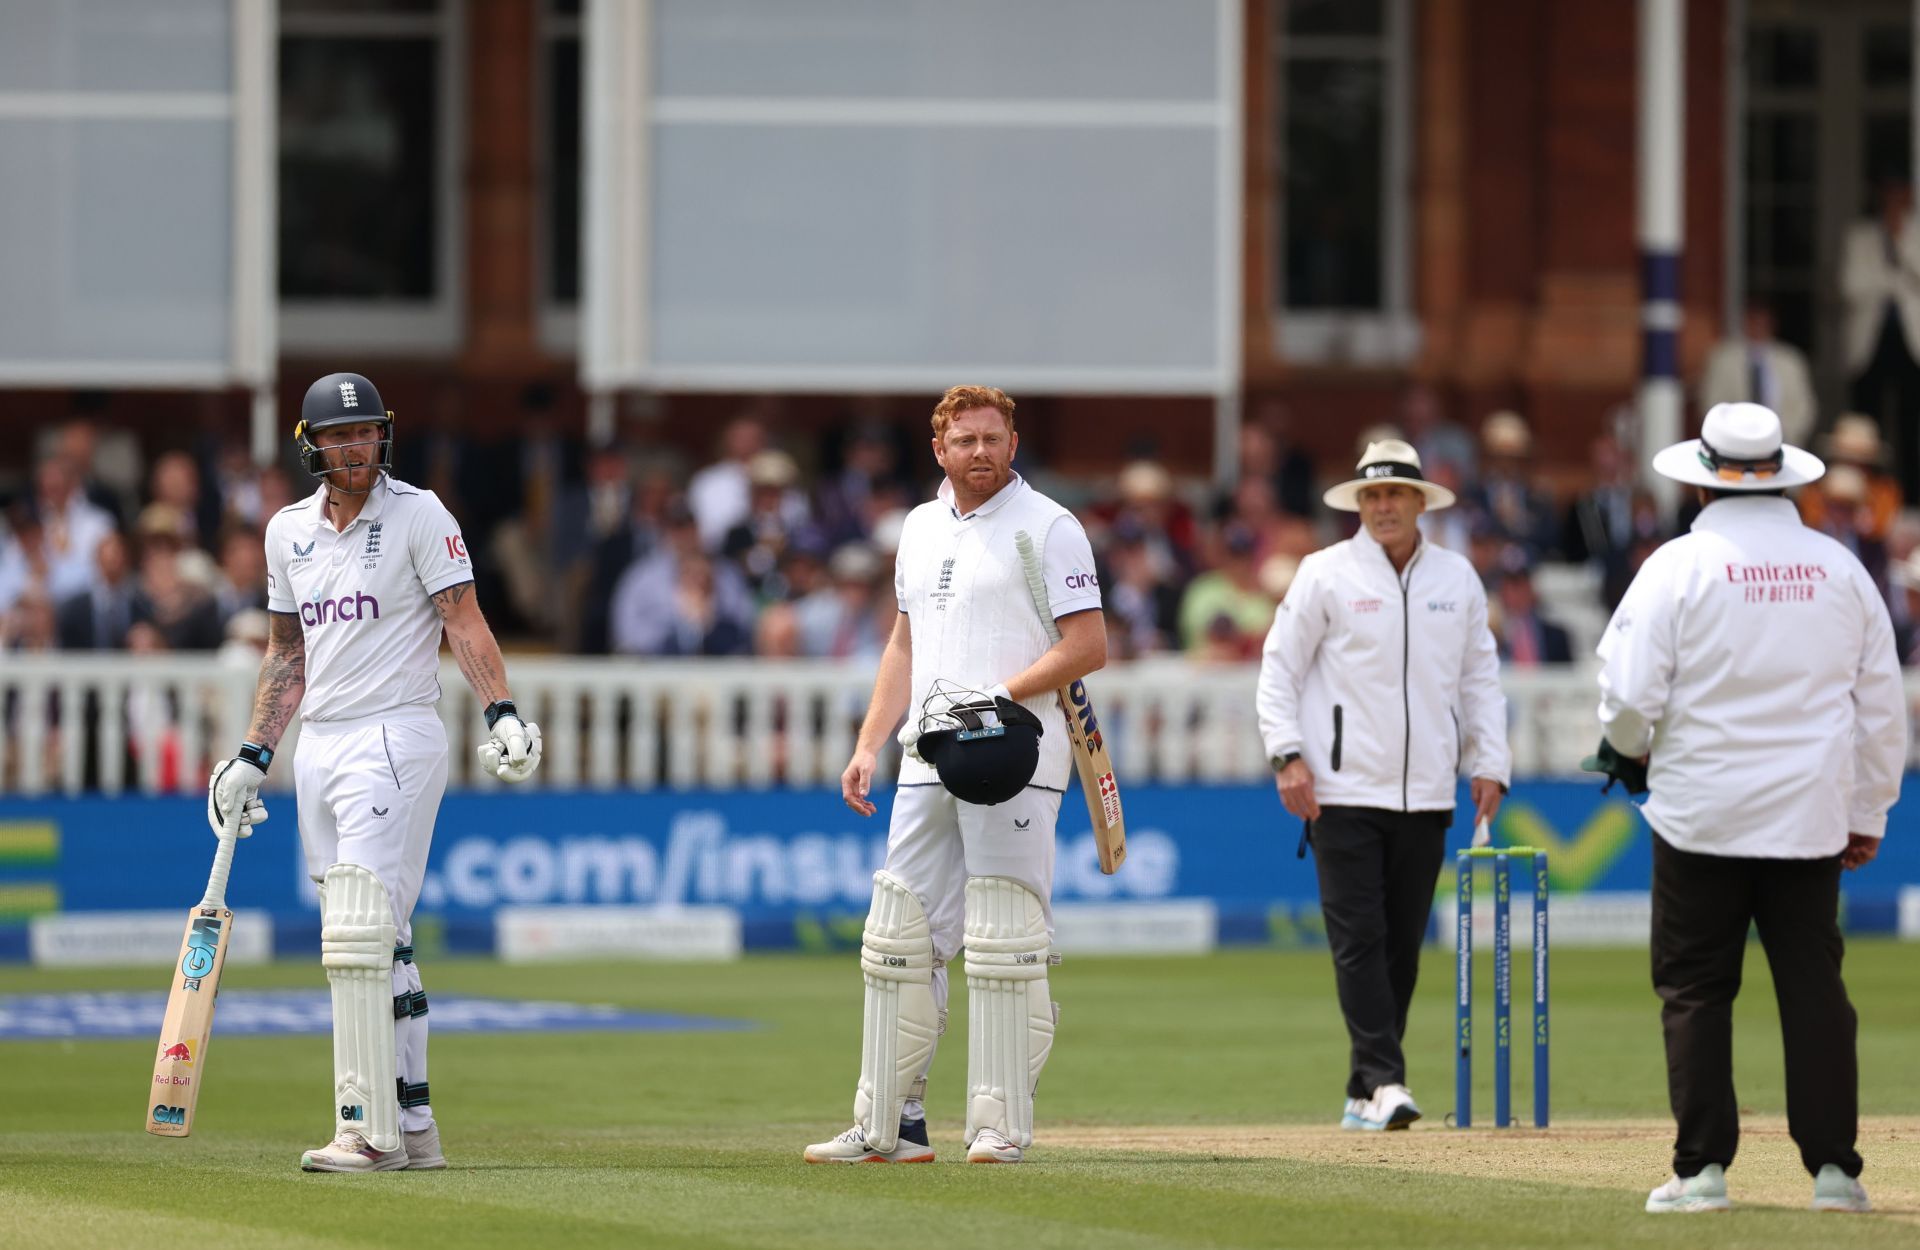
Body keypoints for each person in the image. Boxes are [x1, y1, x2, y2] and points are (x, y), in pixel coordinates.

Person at [203, 372, 544, 1174]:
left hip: (396, 735)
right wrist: (252, 755)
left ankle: (366, 1128)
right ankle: (415, 1128)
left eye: (366, 433)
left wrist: (503, 712)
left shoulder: (420, 513)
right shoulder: (288, 531)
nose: (355, 447)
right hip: (319, 745)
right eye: (339, 435)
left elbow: (463, 618)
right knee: (375, 939)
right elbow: (287, 652)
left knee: (360, 932)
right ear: (311, 444)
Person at [1592, 402, 1902, 1215]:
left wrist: (1631, 752)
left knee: (1696, 989)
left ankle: (1701, 1172)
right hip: (1808, 817)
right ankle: (1835, 1172)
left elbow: (1626, 698)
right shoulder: (1838, 568)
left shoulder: (1676, 567)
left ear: (1701, 487)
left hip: (1703, 812)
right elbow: (1882, 708)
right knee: (1813, 987)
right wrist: (1868, 808)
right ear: (1781, 477)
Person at [805, 384, 1106, 1165]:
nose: (979, 452)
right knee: (901, 935)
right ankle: (889, 1125)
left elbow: (1088, 646)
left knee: (1006, 934)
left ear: (1013, 441)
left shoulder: (1050, 528)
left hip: (1017, 752)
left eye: (991, 438)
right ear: (938, 449)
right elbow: (904, 646)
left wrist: (997, 697)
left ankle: (998, 1125)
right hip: (926, 754)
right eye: (964, 440)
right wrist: (872, 742)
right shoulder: (917, 526)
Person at [1256, 439, 1510, 1131]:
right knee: (1359, 940)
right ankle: (1387, 1081)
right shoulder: (1325, 573)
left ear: (1420, 502)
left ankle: (1364, 1089)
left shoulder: (1456, 579)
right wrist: (1287, 755)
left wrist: (1491, 761)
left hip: (1427, 791)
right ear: (1358, 505)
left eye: (1396, 494)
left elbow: (1479, 677)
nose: (1384, 506)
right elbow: (1279, 669)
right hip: (1339, 790)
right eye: (1372, 496)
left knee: (1401, 948)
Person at [1840, 179, 1920, 494]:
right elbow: (1851, 286)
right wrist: (1890, 281)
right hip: (1869, 342)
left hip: (1911, 343)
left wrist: (1898, 243)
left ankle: (1912, 493)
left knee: (1910, 423)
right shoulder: (1860, 237)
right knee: (1867, 420)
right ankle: (1864, 490)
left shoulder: (1915, 235)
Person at [1697, 298, 1817, 448]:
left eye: (1763, 322)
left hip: (1782, 443)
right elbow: (1711, 402)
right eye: (1753, 321)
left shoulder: (1790, 360)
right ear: (1744, 323)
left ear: (1772, 324)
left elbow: (1804, 407)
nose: (1758, 326)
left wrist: (1784, 435)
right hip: (1734, 444)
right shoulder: (1723, 358)